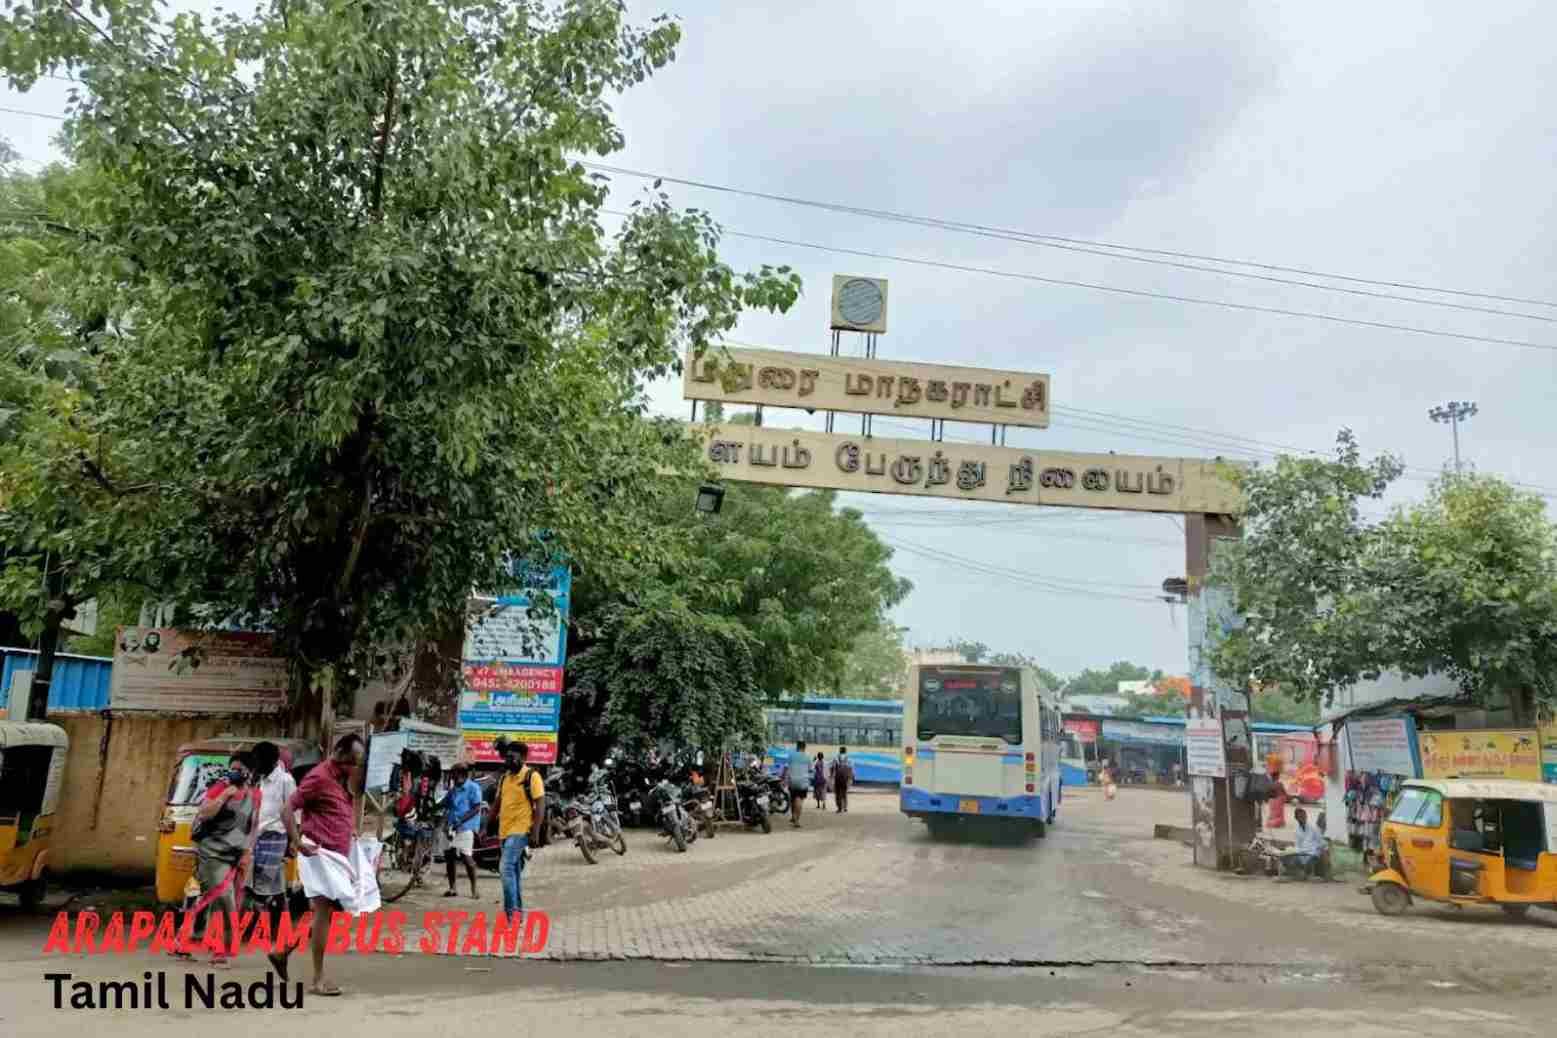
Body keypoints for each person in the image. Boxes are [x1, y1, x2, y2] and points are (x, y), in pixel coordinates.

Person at [283, 732, 365, 996]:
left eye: (356, 763)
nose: (353, 768)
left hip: (337, 855)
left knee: (329, 911)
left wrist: (351, 830)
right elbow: (287, 808)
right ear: (338, 753)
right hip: (318, 853)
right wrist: (297, 842)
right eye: (351, 762)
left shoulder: (341, 778)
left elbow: (339, 810)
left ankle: (282, 951)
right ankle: (317, 979)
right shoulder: (318, 777)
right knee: (323, 911)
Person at [182, 750, 258, 968]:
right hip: (212, 852)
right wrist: (224, 795)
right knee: (223, 898)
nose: (234, 773)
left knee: (211, 900)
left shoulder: (254, 794)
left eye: (239, 769)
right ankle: (219, 951)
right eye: (232, 768)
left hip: (235, 854)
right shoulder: (220, 787)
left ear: (250, 772)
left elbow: (253, 825)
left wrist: (247, 852)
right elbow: (204, 812)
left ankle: (181, 940)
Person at [490, 740, 545, 923]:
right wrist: (487, 823)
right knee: (513, 874)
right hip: (504, 832)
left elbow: (540, 804)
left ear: (522, 758)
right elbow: (497, 803)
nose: (508, 760)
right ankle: (518, 913)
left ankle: (511, 915)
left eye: (512, 757)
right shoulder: (504, 778)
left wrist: (535, 831)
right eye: (507, 757)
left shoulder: (532, 776)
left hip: (521, 830)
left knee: (505, 868)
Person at [248, 741, 296, 949]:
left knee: (261, 888)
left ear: (269, 760)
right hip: (258, 838)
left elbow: (294, 811)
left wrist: (293, 842)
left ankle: (264, 933)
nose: (255, 764)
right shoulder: (259, 780)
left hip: (276, 837)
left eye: (258, 760)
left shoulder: (285, 780)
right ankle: (286, 933)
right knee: (277, 889)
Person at [442, 763, 483, 898]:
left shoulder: (473, 788)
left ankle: (474, 889)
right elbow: (445, 803)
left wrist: (461, 820)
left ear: (462, 774)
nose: (451, 777)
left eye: (453, 774)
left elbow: (476, 808)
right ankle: (452, 888)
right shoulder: (454, 789)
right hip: (451, 827)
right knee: (449, 857)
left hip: (466, 827)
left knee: (467, 858)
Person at [1281, 807, 1329, 880]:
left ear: (1306, 816)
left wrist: (1325, 852)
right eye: (1300, 817)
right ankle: (1300, 873)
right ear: (1296, 818)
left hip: (1313, 854)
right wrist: (1292, 851)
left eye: (1304, 816)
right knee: (1285, 857)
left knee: (1307, 862)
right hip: (1301, 854)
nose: (1302, 818)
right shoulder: (1297, 830)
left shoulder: (1314, 828)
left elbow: (1322, 843)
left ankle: (1304, 873)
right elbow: (1297, 845)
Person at [786, 739, 810, 828]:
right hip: (803, 782)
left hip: (792, 781)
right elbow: (810, 768)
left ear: (797, 746)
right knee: (799, 800)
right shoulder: (807, 756)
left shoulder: (791, 755)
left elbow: (787, 767)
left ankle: (793, 816)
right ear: (804, 747)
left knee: (793, 799)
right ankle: (797, 820)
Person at [831, 746, 853, 814]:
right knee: (844, 793)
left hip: (838, 778)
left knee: (838, 793)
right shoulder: (849, 759)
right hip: (845, 778)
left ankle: (839, 808)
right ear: (846, 751)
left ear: (840, 751)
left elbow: (832, 768)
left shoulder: (835, 758)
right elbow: (850, 769)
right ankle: (845, 807)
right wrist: (850, 778)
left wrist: (831, 776)